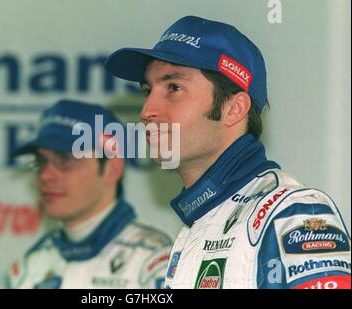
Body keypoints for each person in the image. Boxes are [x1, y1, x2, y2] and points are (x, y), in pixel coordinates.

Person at [105, 16, 351, 289]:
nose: (147, 111)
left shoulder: (294, 214)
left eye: (173, 88)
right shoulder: (197, 225)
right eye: (147, 91)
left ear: (234, 109)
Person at [6, 99, 172, 289]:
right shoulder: (31, 266)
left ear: (112, 170)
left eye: (65, 159)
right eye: (41, 161)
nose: (45, 175)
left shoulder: (153, 262)